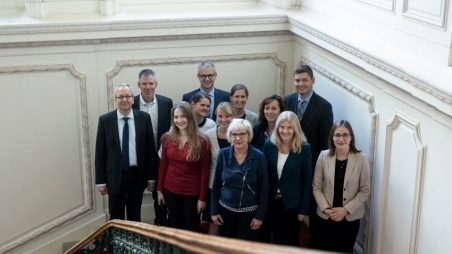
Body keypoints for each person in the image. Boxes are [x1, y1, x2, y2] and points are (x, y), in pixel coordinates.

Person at [284, 65, 333, 246]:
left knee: (310, 211)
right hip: (288, 166)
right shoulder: (288, 100)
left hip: (311, 168)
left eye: (305, 80)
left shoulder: (324, 106)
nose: (301, 84)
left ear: (313, 80)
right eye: (297, 80)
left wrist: (319, 174)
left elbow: (325, 144)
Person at [95, 84, 156, 221]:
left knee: (135, 216)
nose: (124, 99)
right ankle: (117, 243)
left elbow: (150, 150)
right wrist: (100, 181)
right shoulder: (105, 120)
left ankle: (134, 242)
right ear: (115, 100)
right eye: (120, 96)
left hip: (137, 176)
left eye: (128, 96)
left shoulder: (144, 118)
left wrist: (151, 177)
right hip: (114, 176)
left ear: (133, 99)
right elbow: (100, 152)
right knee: (116, 216)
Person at [311, 120, 371, 253]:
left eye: (345, 135)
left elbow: (365, 190)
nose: (341, 139)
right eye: (337, 135)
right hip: (326, 216)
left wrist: (346, 210)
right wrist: (326, 209)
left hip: (349, 218)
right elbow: (316, 187)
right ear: (332, 138)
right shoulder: (323, 156)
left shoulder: (361, 159)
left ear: (351, 137)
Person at [211, 119, 269, 241]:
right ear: (230, 136)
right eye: (234, 134)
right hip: (225, 210)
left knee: (245, 247)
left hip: (249, 211)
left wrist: (260, 216)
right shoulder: (223, 154)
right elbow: (216, 184)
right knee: (226, 246)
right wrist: (214, 211)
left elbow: (264, 188)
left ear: (249, 136)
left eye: (242, 134)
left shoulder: (259, 156)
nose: (238, 138)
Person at [157, 101, 210, 232]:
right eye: (176, 117)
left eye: (182, 116)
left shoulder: (202, 141)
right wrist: (159, 190)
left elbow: (205, 171)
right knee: (175, 226)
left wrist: (202, 198)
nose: (179, 120)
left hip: (192, 193)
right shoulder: (167, 138)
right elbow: (163, 166)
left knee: (191, 227)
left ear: (190, 117)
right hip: (171, 190)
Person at [261, 111, 312, 246]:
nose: (285, 131)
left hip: (292, 204)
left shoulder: (304, 149)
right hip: (272, 202)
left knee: (290, 239)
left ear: (295, 128)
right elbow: (263, 174)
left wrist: (304, 209)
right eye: (282, 127)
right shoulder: (269, 145)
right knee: (275, 237)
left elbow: (307, 181)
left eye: (289, 127)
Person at [132, 69, 173, 225]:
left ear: (156, 84)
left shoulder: (166, 102)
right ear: (139, 85)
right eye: (144, 84)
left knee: (160, 196)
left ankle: (160, 224)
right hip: (139, 159)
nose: (148, 87)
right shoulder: (132, 102)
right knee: (135, 196)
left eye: (151, 83)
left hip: (162, 157)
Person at [203, 102, 235, 235]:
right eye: (220, 116)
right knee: (214, 220)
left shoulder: (239, 134)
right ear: (216, 115)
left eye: (227, 116)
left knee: (230, 221)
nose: (223, 120)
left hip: (234, 185)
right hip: (213, 185)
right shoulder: (207, 135)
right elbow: (204, 163)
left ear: (233, 116)